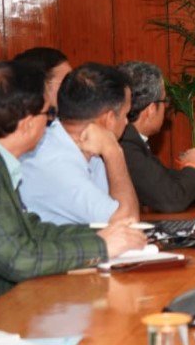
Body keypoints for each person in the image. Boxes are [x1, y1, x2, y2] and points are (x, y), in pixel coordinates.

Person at [0, 62, 145, 303]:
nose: (52, 124)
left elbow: (33, 230)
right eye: (49, 114)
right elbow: (19, 259)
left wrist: (104, 236)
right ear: (27, 124)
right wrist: (101, 247)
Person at [20, 63, 140, 225]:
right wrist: (114, 152)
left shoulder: (89, 150)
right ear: (109, 118)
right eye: (126, 114)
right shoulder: (54, 160)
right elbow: (127, 222)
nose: (126, 122)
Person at [118, 62, 195, 213]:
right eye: (165, 101)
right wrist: (193, 166)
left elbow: (162, 181)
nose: (166, 107)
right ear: (152, 109)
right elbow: (171, 200)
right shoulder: (125, 144)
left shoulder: (132, 139)